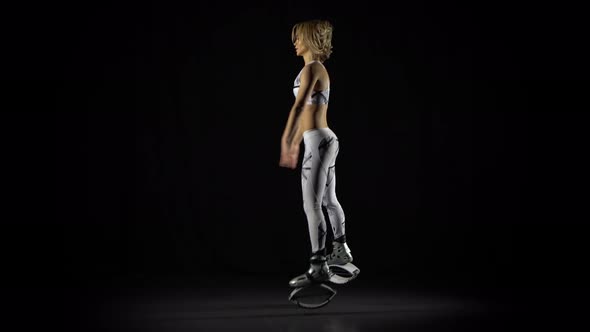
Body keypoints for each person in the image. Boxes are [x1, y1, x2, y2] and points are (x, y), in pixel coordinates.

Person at [279, 19, 355, 288]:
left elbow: (299, 108)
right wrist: (297, 139)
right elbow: (307, 113)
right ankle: (341, 249)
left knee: (311, 204)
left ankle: (318, 265)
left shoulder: (314, 69)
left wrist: (288, 141)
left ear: (311, 39)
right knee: (328, 199)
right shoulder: (310, 70)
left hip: (319, 142)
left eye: (299, 37)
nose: (294, 42)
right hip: (321, 140)